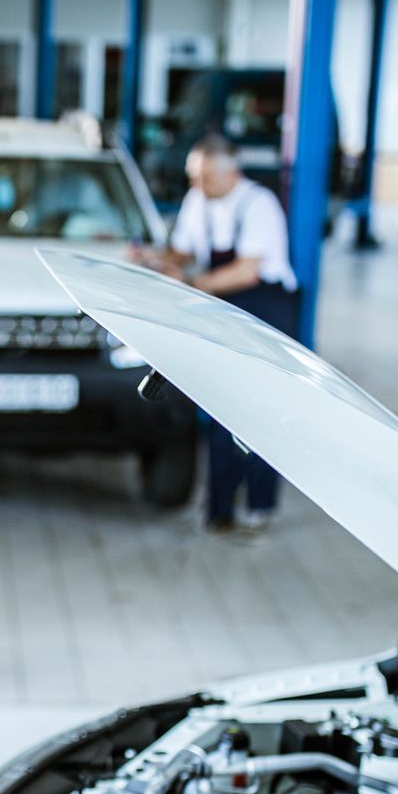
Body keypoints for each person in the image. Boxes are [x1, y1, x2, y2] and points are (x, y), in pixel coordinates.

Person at [131, 134, 299, 533]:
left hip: (265, 311)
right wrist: (152, 259)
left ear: (232, 173)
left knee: (261, 411)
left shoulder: (260, 206)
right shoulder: (198, 201)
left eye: (205, 178)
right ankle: (219, 509)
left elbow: (248, 270)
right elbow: (185, 249)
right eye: (194, 178)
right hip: (223, 309)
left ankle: (259, 505)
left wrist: (192, 282)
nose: (197, 186)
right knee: (223, 406)